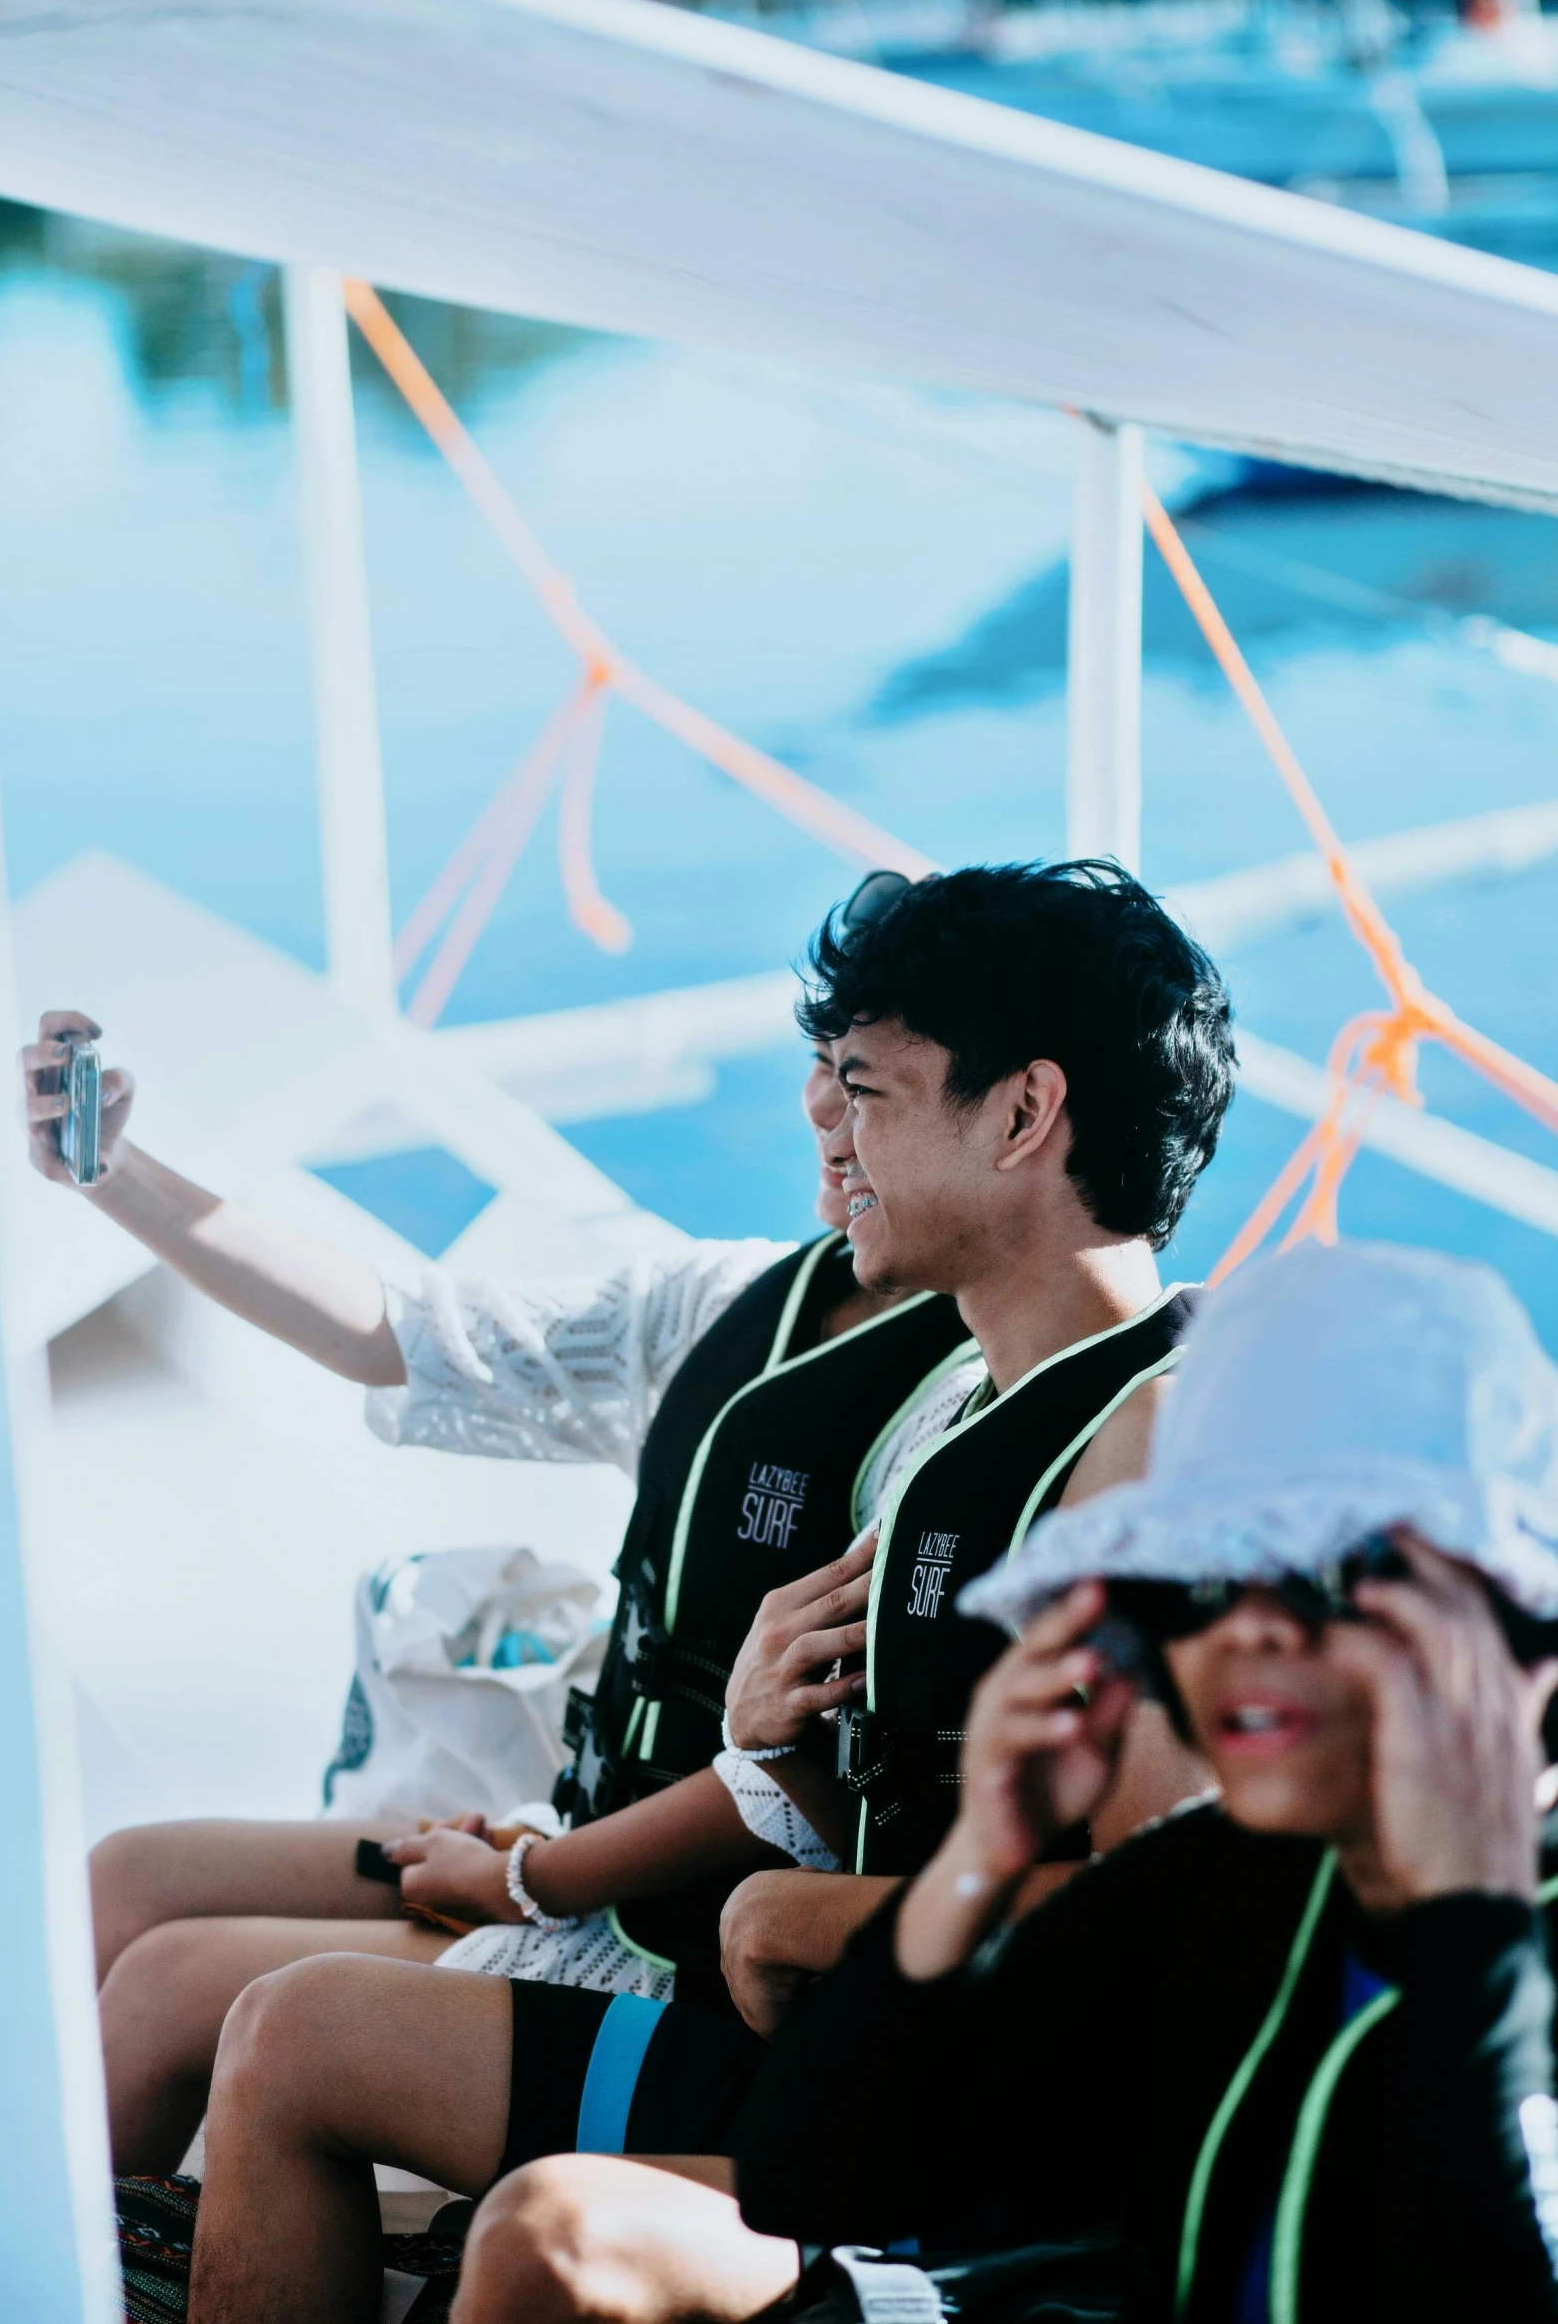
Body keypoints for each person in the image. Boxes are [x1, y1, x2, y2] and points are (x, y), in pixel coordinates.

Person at [180, 857, 1236, 2324]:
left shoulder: (1156, 1453)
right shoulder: (962, 1414)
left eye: (867, 1089)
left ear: (1019, 1113)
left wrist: (789, 1922)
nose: (830, 1129)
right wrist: (763, 1747)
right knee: (289, 2029)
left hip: (1003, 2162)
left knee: (546, 2234)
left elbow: (1172, 1934)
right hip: (836, 2046)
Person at [24, 874, 975, 2173]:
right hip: (563, 1840)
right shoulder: (722, 1300)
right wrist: (116, 1177)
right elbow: (409, 1336)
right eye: (819, 1061)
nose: (821, 1104)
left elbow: (802, 1788)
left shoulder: (966, 1415)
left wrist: (538, 1878)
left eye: (863, 1079)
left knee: (174, 1980)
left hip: (649, 1928)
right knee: (124, 1872)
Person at [737, 1239, 1558, 2324]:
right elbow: (812, 2180)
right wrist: (978, 1860)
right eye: (1190, 1586)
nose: (1240, 1639)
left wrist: (1466, 1939)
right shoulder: (1227, 1871)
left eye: (1321, 1576)